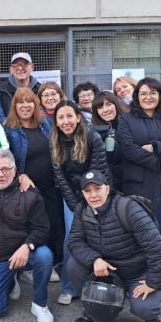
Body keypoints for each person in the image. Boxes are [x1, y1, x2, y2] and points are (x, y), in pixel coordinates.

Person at [65, 171, 161, 322]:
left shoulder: (128, 208)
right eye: (87, 191)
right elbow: (74, 241)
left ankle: (150, 313)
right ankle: (93, 310)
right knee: (73, 265)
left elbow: (157, 248)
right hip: (106, 271)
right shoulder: (82, 210)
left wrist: (153, 282)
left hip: (136, 272)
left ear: (107, 188)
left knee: (145, 309)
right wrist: (94, 259)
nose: (93, 195)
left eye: (97, 189)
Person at [116, 77, 161, 294]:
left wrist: (156, 146)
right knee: (143, 234)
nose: (148, 97)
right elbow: (128, 149)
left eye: (153, 93)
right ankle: (142, 279)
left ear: (160, 95)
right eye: (143, 93)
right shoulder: (127, 120)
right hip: (138, 186)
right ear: (137, 97)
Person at [0, 150, 54, 322]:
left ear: (15, 169)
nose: (0, 174)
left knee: (44, 255)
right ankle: (10, 280)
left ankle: (39, 304)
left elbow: (42, 228)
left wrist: (27, 246)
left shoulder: (30, 193)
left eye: (5, 169)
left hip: (22, 252)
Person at [51, 101, 109, 304]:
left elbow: (97, 172)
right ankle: (69, 287)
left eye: (69, 116)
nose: (65, 121)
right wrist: (76, 205)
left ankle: (103, 283)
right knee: (71, 240)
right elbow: (60, 177)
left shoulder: (92, 137)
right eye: (60, 117)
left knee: (98, 239)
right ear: (56, 122)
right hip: (73, 199)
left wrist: (89, 200)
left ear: (78, 117)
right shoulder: (55, 141)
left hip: (96, 194)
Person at [4, 87, 64, 283]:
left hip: (51, 185)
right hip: (27, 189)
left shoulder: (46, 124)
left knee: (54, 223)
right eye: (20, 102)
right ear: (15, 106)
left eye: (29, 101)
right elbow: (7, 159)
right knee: (32, 226)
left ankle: (52, 262)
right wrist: (20, 175)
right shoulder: (10, 130)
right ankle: (29, 266)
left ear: (35, 104)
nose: (25, 106)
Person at [91, 91, 129, 189]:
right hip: (109, 185)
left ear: (116, 104)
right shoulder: (93, 133)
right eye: (100, 107)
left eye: (108, 104)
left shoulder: (129, 125)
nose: (105, 110)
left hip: (131, 182)